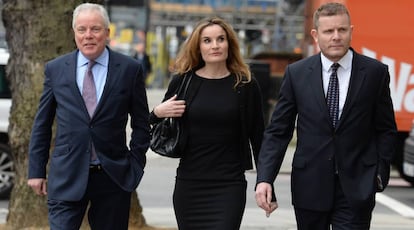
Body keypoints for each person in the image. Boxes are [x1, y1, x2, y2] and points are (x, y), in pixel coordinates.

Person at [255, 2, 397, 230]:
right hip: (309, 185)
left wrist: (379, 173)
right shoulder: (296, 74)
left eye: (342, 30)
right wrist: (264, 178)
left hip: (357, 187)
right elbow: (278, 131)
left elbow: (386, 129)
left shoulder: (375, 73)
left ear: (351, 30)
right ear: (315, 34)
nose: (336, 37)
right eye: (329, 31)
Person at [27, 3, 150, 230]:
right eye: (81, 29)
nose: (88, 36)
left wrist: (136, 164)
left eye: (95, 29)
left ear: (107, 32)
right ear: (74, 33)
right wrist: (36, 170)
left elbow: (142, 123)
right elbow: (42, 124)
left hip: (113, 176)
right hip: (66, 175)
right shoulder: (56, 69)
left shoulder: (129, 69)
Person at [149, 16, 265, 229]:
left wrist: (265, 181)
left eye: (221, 39)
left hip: (229, 185)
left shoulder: (245, 84)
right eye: (207, 40)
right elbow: (153, 124)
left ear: (229, 44)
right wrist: (157, 112)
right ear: (198, 47)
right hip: (190, 183)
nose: (215, 45)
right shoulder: (183, 81)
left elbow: (258, 136)